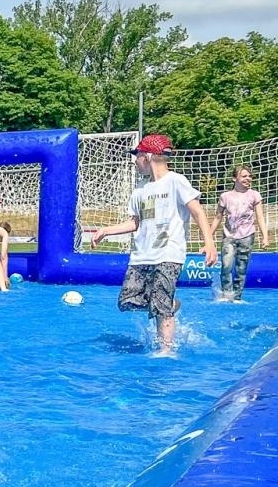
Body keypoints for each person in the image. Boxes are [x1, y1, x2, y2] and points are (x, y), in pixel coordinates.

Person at [89, 133, 217, 354]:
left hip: (169, 253)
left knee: (159, 306)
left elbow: (197, 210)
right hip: (142, 255)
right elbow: (134, 222)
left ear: (147, 156)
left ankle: (166, 351)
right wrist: (105, 231)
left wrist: (209, 242)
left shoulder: (176, 181)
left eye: (136, 156)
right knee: (127, 302)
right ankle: (170, 304)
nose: (135, 161)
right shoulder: (141, 189)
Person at [213, 166, 268, 302]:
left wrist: (265, 237)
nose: (248, 178)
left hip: (247, 236)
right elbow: (218, 217)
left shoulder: (254, 195)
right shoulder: (225, 196)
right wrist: (208, 237)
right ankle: (226, 295)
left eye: (249, 176)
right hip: (229, 236)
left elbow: (260, 217)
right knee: (226, 265)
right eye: (244, 176)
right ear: (234, 179)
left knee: (241, 268)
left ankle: (237, 297)